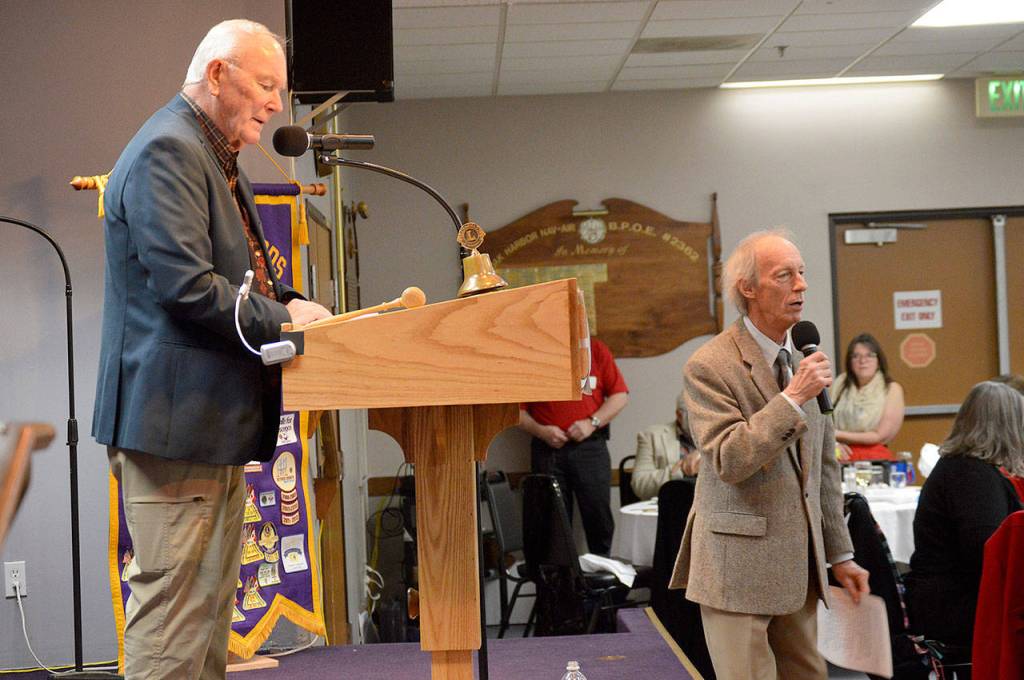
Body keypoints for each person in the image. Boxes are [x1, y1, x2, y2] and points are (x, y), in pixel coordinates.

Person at [92, 20, 331, 680]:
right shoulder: (169, 151)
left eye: (279, 89)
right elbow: (189, 289)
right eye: (265, 84)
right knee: (173, 626)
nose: (276, 103)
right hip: (174, 429)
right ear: (218, 75)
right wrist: (283, 315)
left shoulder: (216, 155)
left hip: (208, 428)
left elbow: (244, 275)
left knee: (205, 626)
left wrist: (295, 302)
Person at [669, 230, 869, 680]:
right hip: (736, 570)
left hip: (798, 569)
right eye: (785, 275)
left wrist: (842, 555)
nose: (801, 285)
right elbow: (728, 459)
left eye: (802, 273)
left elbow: (823, 469)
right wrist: (792, 398)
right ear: (748, 288)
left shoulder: (804, 355)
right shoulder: (710, 365)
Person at [907, 381, 1024, 661]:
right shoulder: (971, 476)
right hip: (956, 604)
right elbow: (988, 553)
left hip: (946, 595)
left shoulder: (964, 468)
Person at [519, 337, 628, 556]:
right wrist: (542, 431)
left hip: (590, 447)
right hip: (547, 449)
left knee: (599, 518)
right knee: (551, 524)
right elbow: (515, 412)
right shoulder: (530, 351)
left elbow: (620, 395)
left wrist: (592, 423)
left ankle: (604, 582)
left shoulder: (595, 348)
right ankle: (558, 586)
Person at [830, 333, 905, 461]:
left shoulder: (892, 389)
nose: (862, 361)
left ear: (879, 361)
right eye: (856, 356)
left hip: (874, 458)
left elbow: (879, 435)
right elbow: (823, 421)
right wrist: (834, 443)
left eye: (869, 355)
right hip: (838, 455)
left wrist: (836, 435)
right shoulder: (840, 384)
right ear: (849, 361)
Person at [631, 388, 700, 501]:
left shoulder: (722, 438)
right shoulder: (652, 436)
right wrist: (681, 469)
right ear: (679, 415)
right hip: (670, 509)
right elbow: (640, 485)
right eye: (697, 416)